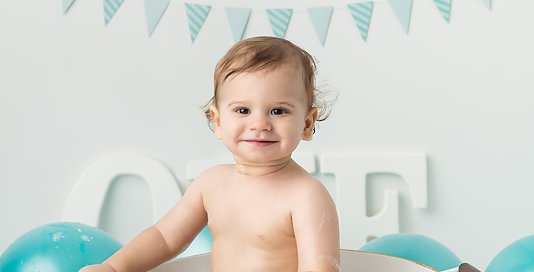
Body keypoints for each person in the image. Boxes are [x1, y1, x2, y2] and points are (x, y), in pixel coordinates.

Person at [79, 36, 339, 272]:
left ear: (306, 123)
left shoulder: (306, 196)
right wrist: (114, 267)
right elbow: (165, 238)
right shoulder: (211, 184)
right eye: (243, 110)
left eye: (278, 111)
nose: (259, 124)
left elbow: (320, 268)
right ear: (217, 121)